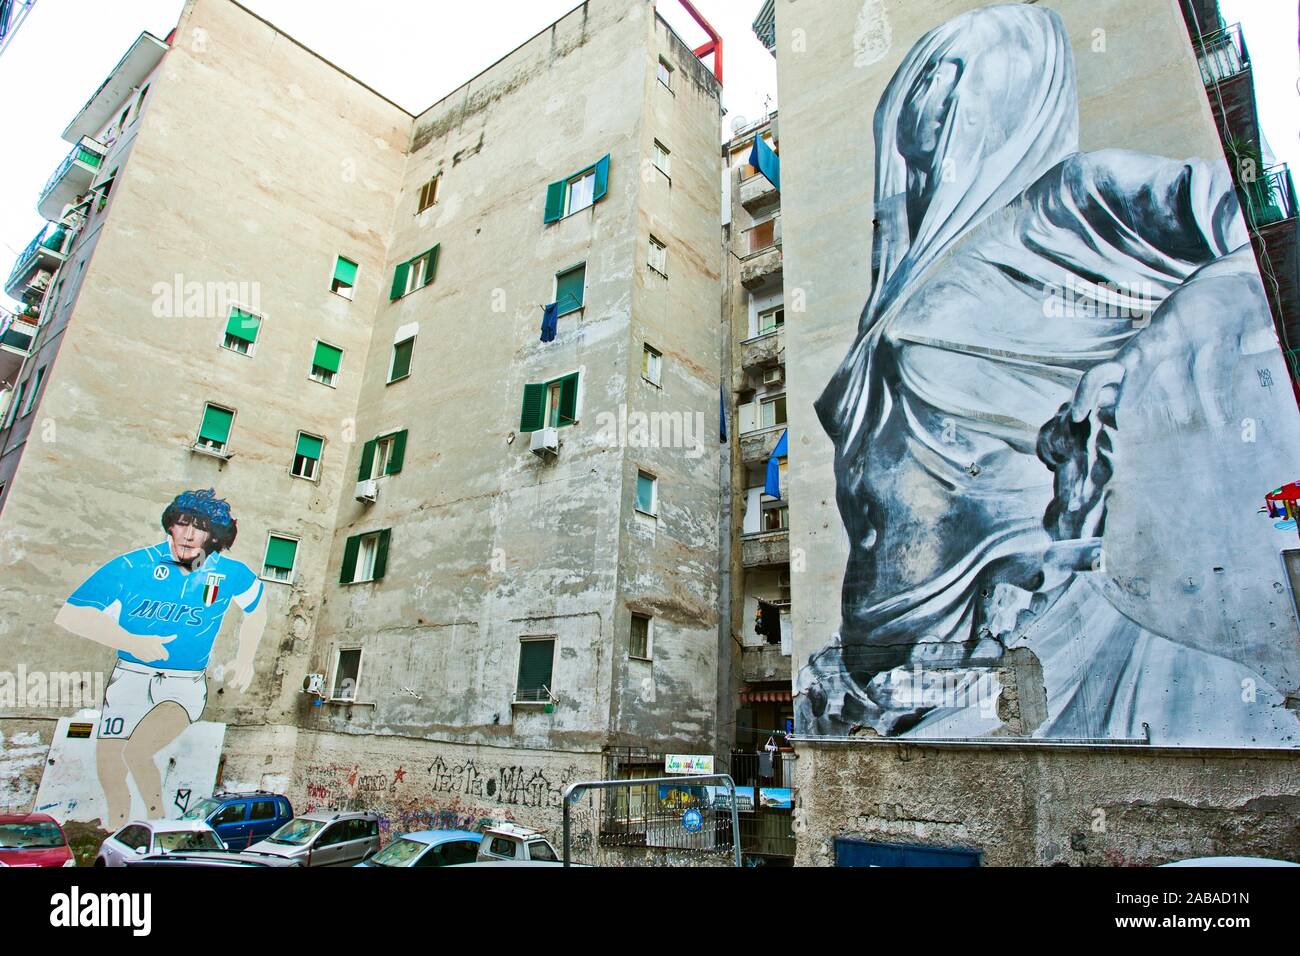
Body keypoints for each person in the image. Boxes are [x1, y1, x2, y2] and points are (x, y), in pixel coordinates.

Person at [799, 4, 1300, 744]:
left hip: (1021, 654)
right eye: (925, 73)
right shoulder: (901, 282)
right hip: (881, 687)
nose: (928, 101)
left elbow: (1250, 240)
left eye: (956, 71)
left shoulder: (1074, 197)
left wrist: (1136, 370)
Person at [55, 489, 266, 827]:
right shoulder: (133, 565)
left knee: (136, 752)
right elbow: (71, 613)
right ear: (171, 526)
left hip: (183, 683)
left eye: (201, 527)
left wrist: (245, 660)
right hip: (130, 675)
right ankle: (115, 828)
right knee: (109, 764)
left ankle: (156, 822)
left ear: (214, 536)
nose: (190, 534)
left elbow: (256, 609)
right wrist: (130, 640)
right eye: (183, 524)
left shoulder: (231, 573)